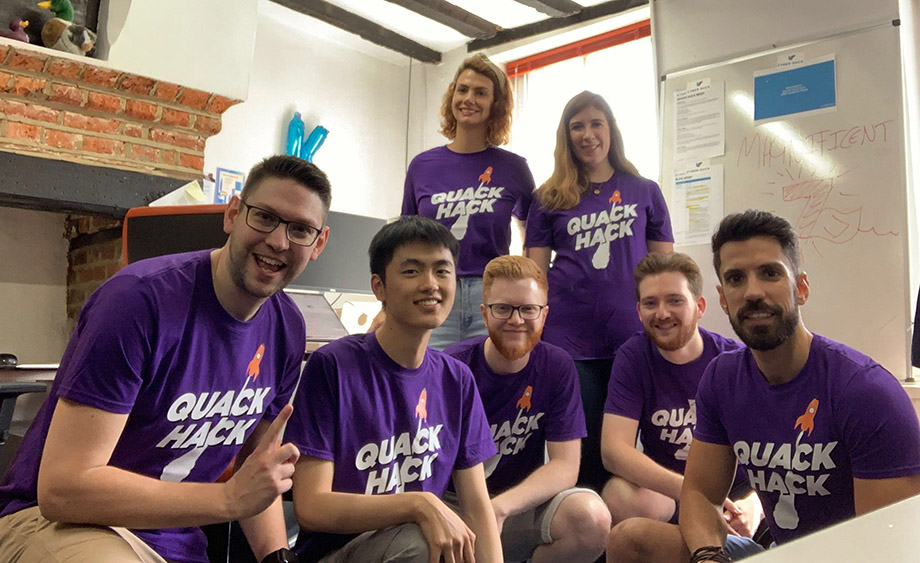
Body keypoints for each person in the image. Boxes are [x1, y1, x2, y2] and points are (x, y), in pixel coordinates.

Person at [0, 155, 332, 563]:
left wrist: (276, 556)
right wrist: (226, 498)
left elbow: (255, 476)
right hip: (53, 524)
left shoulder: (287, 329)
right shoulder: (138, 302)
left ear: (318, 244)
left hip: (173, 540)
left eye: (299, 229)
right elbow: (63, 490)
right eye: (264, 217)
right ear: (232, 215)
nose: (279, 241)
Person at [617, 209, 920, 563]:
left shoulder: (865, 392)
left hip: (852, 556)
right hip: (779, 552)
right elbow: (699, 493)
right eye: (735, 279)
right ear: (722, 299)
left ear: (801, 288)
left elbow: (884, 546)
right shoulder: (722, 379)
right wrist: (707, 556)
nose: (752, 292)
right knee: (631, 539)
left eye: (770, 273)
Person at [286, 216, 503, 562]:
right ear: (379, 287)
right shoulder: (333, 367)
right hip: (338, 553)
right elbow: (312, 507)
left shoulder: (457, 379)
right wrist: (418, 503)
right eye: (412, 271)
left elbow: (477, 506)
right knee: (421, 539)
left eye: (442, 271)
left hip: (410, 545)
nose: (430, 284)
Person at [525, 91, 674, 491]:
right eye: (577, 126)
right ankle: (593, 539)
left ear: (611, 131)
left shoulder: (645, 191)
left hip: (635, 339)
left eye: (596, 124)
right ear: (566, 135)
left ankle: (639, 535)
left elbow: (666, 273)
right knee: (587, 451)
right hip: (570, 345)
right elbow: (533, 277)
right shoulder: (547, 197)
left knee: (641, 448)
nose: (587, 134)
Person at [444, 255, 611, 563]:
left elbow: (565, 466)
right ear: (484, 313)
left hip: (518, 506)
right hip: (457, 509)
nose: (516, 319)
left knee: (591, 519)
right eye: (503, 308)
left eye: (528, 309)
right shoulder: (452, 367)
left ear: (544, 315)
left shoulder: (557, 365)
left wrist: (501, 508)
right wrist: (479, 513)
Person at [602, 251, 763, 562]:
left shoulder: (735, 360)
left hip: (733, 497)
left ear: (699, 307)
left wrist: (755, 505)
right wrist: (694, 495)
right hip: (671, 490)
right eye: (651, 303)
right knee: (618, 496)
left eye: (674, 300)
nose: (662, 313)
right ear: (638, 310)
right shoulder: (633, 356)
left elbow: (779, 449)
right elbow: (613, 450)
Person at [401, 53, 536, 349]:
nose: (468, 99)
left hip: (492, 299)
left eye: (480, 93)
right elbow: (404, 242)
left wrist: (525, 296)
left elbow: (535, 235)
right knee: (431, 387)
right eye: (462, 90)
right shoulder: (423, 166)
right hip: (432, 294)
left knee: (487, 390)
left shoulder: (514, 168)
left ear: (495, 105)